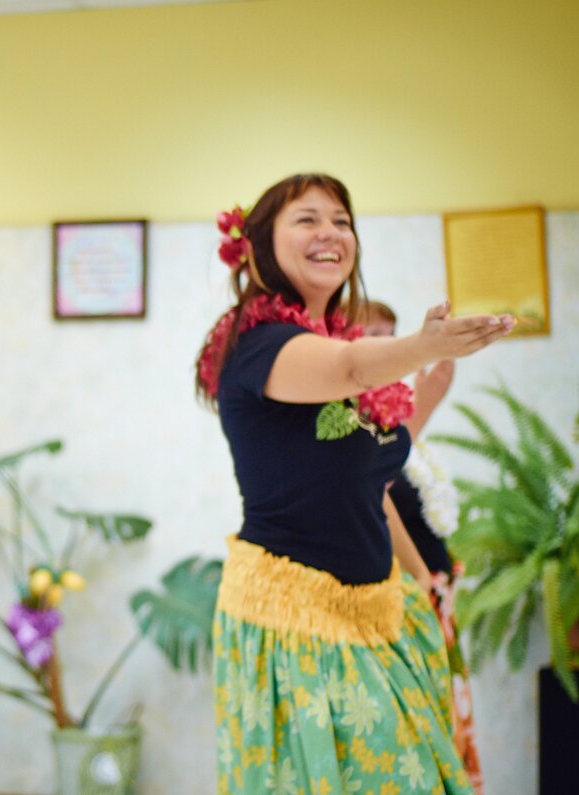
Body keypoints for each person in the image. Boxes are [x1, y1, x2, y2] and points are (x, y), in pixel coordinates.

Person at [196, 174, 513, 794]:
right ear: (259, 245)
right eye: (307, 219)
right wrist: (420, 345)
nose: (330, 233)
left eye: (342, 221)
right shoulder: (262, 346)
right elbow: (343, 369)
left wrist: (423, 580)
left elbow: (362, 483)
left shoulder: (335, 347)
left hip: (378, 611)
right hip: (295, 621)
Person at [363, 300, 484, 794]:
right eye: (373, 334)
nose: (388, 346)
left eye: (393, 335)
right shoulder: (346, 423)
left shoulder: (390, 425)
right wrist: (419, 579)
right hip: (403, 607)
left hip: (433, 602)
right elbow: (371, 491)